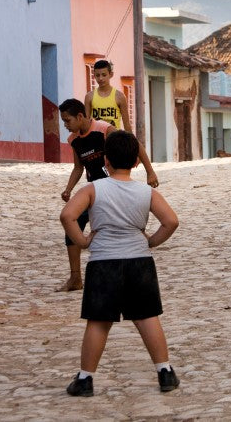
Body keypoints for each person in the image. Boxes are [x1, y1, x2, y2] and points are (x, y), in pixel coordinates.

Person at [60, 130, 180, 397]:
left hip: (104, 262)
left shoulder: (93, 189)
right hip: (140, 261)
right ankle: (165, 371)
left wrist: (82, 241)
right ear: (137, 162)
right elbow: (171, 221)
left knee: (99, 322)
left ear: (106, 162)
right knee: (148, 317)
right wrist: (151, 242)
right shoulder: (146, 192)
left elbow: (67, 215)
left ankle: (85, 378)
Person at [59, 98, 159, 292]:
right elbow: (78, 167)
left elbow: (133, 144)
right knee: (74, 223)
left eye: (67, 120)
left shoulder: (104, 130)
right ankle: (75, 277)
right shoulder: (73, 140)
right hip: (93, 191)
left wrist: (150, 171)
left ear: (80, 116)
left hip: (115, 187)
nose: (65, 125)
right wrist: (69, 189)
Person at [84, 59, 130, 130]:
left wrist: (131, 140)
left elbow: (127, 125)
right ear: (94, 76)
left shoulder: (120, 96)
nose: (101, 78)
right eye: (98, 75)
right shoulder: (89, 97)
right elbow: (86, 123)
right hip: (95, 139)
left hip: (114, 139)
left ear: (111, 74)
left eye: (104, 75)